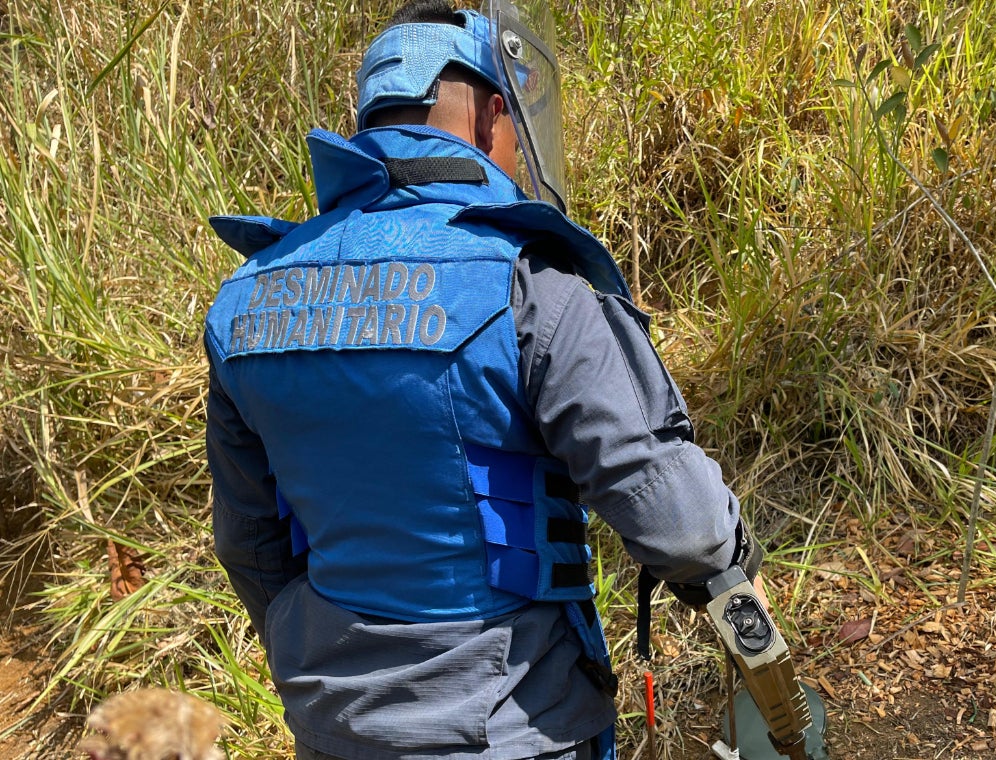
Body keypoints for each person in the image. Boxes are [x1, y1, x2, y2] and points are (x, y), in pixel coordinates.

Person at [203, 2, 763, 759]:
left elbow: (251, 547)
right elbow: (684, 526)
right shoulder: (529, 280)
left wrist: (330, 669)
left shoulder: (248, 298)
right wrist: (733, 559)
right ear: (495, 115)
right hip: (514, 725)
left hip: (334, 728)